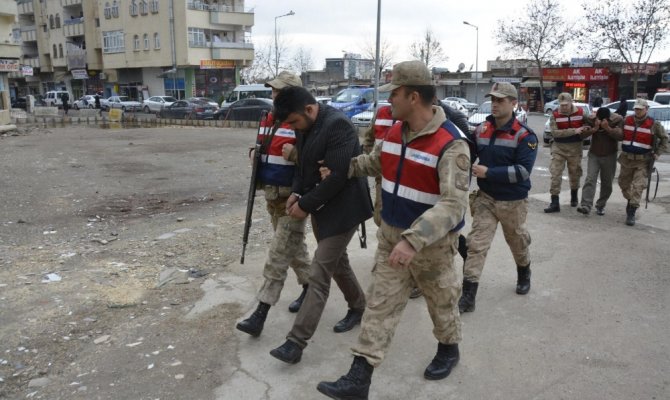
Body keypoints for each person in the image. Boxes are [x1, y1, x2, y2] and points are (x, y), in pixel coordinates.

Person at [317, 60, 471, 399]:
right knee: (379, 305)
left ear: (414, 97)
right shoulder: (394, 132)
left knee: (442, 304)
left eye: (395, 94)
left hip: (429, 247)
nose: (390, 102)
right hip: (391, 239)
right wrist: (342, 169)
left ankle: (449, 348)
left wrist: (413, 241)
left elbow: (453, 205)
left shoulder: (451, 143)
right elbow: (375, 163)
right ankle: (360, 377)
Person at [268, 86, 373, 364]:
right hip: (320, 205)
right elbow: (305, 167)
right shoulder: (304, 125)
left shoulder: (338, 125)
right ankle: (358, 306)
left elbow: (336, 178)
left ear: (310, 109)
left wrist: (304, 205)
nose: (292, 128)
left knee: (320, 270)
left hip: (345, 208)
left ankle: (295, 342)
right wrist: (296, 192)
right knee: (338, 263)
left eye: (293, 122)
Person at [235, 71, 312, 338]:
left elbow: (316, 158)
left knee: (279, 254)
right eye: (273, 91)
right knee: (294, 250)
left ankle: (261, 312)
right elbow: (263, 146)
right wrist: (255, 153)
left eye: (279, 91)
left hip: (293, 198)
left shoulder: (302, 121)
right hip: (272, 195)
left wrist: (297, 154)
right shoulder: (269, 118)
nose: (273, 95)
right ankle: (311, 289)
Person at [458, 82, 538, 313]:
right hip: (486, 198)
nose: (494, 104)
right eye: (492, 100)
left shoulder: (525, 136)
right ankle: (468, 296)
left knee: (517, 241)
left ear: (514, 104)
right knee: (476, 246)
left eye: (500, 100)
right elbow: (468, 153)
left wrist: (489, 172)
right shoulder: (481, 129)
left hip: (513, 201)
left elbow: (523, 172)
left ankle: (524, 272)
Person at [618, 98, 668, 226]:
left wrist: (658, 153)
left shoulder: (654, 124)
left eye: (640, 109)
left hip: (643, 161)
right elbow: (618, 133)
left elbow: (664, 139)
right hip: (627, 159)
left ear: (646, 109)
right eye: (636, 109)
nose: (637, 111)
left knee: (638, 186)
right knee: (623, 184)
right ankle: (630, 200)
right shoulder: (626, 120)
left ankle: (632, 211)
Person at [576, 107, 623, 216]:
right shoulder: (592, 119)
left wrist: (608, 129)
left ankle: (601, 205)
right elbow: (582, 135)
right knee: (590, 179)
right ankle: (586, 205)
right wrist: (594, 128)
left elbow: (621, 136)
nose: (601, 121)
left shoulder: (618, 119)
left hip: (610, 154)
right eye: (599, 118)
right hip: (594, 154)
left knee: (607, 183)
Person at [544, 92, 586, 213]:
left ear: (571, 102)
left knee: (575, 174)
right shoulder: (555, 115)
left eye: (566, 105)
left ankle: (574, 196)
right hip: (559, 148)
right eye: (561, 105)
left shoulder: (581, 113)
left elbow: (589, 124)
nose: (563, 107)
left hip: (575, 148)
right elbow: (555, 133)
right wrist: (574, 130)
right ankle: (554, 202)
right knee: (555, 174)